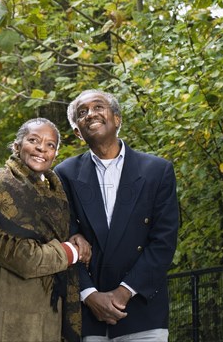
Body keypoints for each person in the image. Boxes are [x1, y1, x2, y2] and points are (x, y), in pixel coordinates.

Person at [54, 90, 179, 341]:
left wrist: (124, 292)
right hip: (88, 315)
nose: (91, 114)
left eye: (98, 107)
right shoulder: (64, 173)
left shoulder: (157, 170)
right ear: (78, 132)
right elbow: (60, 238)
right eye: (82, 112)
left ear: (117, 119)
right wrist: (89, 295)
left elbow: (164, 240)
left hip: (143, 307)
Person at [0, 118, 91, 342]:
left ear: (55, 154)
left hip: (47, 317)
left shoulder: (53, 193)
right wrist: (72, 252)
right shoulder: (1, 186)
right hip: (9, 320)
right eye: (34, 140)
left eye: (50, 145)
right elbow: (24, 258)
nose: (41, 148)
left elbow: (53, 236)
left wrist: (72, 237)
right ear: (17, 146)